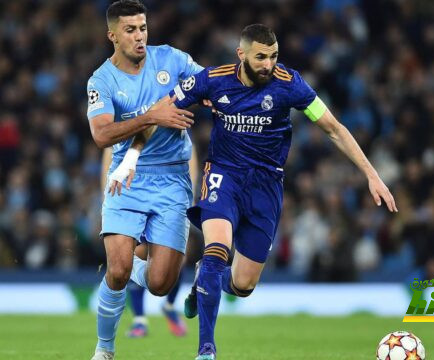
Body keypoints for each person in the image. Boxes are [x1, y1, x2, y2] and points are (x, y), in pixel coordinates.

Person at [112, 23, 398, 360]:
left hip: (266, 188)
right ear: (242, 55)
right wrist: (131, 157)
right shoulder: (212, 80)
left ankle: (206, 281)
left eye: (274, 56)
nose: (268, 64)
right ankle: (206, 349)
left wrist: (371, 174)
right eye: (261, 57)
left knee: (243, 285)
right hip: (223, 176)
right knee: (217, 249)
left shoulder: (290, 85)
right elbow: (159, 111)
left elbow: (334, 129)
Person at [86, 1, 203, 359]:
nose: (140, 37)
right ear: (112, 35)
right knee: (118, 271)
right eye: (130, 30)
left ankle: (183, 274)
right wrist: (151, 116)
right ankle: (104, 350)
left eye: (143, 28)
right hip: (127, 176)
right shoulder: (101, 80)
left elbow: (209, 85)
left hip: (172, 180)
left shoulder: (172, 60)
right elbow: (102, 135)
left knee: (159, 284)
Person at [100, 148, 188, 338]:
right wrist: (107, 201)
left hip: (169, 194)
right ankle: (139, 318)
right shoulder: (122, 128)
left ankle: (169, 305)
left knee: (176, 261)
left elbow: (190, 164)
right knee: (134, 256)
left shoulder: (177, 131)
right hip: (130, 194)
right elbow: (109, 161)